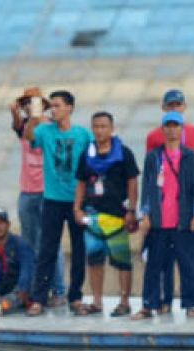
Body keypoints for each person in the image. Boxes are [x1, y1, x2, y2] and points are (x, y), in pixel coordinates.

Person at [24, 90, 94, 317]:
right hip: (52, 200)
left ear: (69, 108)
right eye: (51, 106)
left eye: (57, 105)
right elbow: (28, 137)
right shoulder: (44, 130)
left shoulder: (83, 134)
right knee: (47, 250)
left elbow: (93, 163)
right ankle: (39, 298)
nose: (53, 109)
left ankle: (75, 296)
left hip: (77, 201)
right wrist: (33, 118)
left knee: (79, 249)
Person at [134, 112, 194, 319]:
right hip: (159, 222)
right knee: (154, 266)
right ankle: (149, 304)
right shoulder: (154, 157)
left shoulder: (190, 157)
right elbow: (147, 187)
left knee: (188, 264)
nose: (172, 129)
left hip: (183, 221)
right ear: (163, 129)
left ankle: (191, 303)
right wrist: (145, 214)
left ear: (182, 128)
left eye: (176, 125)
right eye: (168, 125)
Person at [146, 89, 194, 309]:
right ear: (163, 109)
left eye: (178, 105)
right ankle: (165, 298)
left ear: (184, 107)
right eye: (170, 105)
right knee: (164, 256)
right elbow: (149, 177)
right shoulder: (154, 137)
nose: (175, 108)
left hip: (189, 204)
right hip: (165, 209)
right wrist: (146, 211)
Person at [74, 111, 140, 316]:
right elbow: (82, 183)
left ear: (112, 129)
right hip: (93, 214)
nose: (100, 130)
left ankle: (124, 301)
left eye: (104, 126)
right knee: (94, 260)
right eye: (96, 126)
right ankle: (97, 301)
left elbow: (132, 182)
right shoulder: (87, 153)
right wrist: (77, 208)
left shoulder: (124, 153)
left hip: (117, 215)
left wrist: (131, 209)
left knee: (122, 261)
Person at [10, 87, 66, 305]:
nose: (28, 106)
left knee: (51, 241)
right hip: (27, 190)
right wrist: (14, 112)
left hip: (47, 191)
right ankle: (36, 287)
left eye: (32, 102)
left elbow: (34, 136)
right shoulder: (25, 126)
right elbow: (20, 129)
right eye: (25, 103)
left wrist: (34, 118)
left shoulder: (52, 128)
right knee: (29, 242)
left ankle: (59, 289)